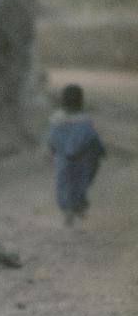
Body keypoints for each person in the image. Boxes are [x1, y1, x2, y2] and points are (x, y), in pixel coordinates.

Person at [48, 83, 105, 226]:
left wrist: (53, 151)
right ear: (81, 101)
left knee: (63, 183)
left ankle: (67, 208)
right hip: (82, 160)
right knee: (81, 183)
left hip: (62, 160)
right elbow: (93, 139)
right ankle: (78, 205)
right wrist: (101, 151)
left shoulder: (56, 121)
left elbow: (51, 140)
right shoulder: (85, 122)